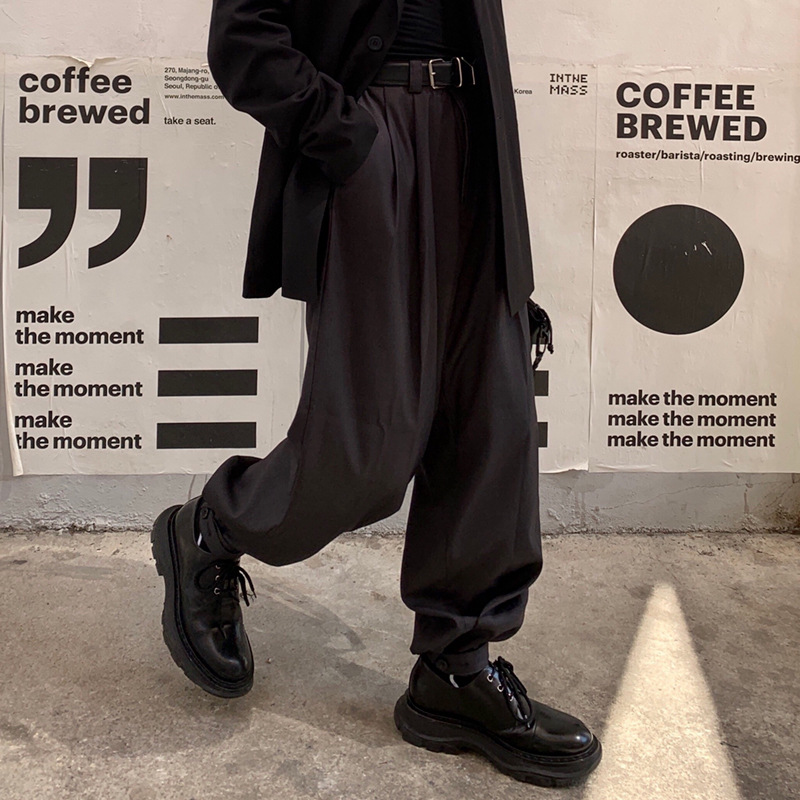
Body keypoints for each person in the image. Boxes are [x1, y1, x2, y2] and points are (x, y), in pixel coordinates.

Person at [151, 0, 602, 786]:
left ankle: (456, 668)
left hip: (474, 138)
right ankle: (214, 525)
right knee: (368, 446)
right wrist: (350, 138)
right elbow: (244, 40)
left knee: (490, 421)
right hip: (373, 140)